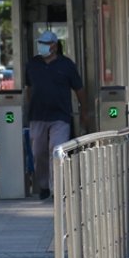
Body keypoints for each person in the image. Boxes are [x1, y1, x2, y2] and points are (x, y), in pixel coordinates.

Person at [25, 30, 88, 200]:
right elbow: (29, 88)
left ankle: (57, 188)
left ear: (54, 45)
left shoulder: (66, 65)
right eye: (41, 43)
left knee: (57, 150)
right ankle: (44, 185)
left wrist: (84, 110)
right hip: (37, 115)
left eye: (45, 43)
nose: (42, 46)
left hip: (60, 116)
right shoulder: (33, 64)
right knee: (38, 152)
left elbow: (79, 89)